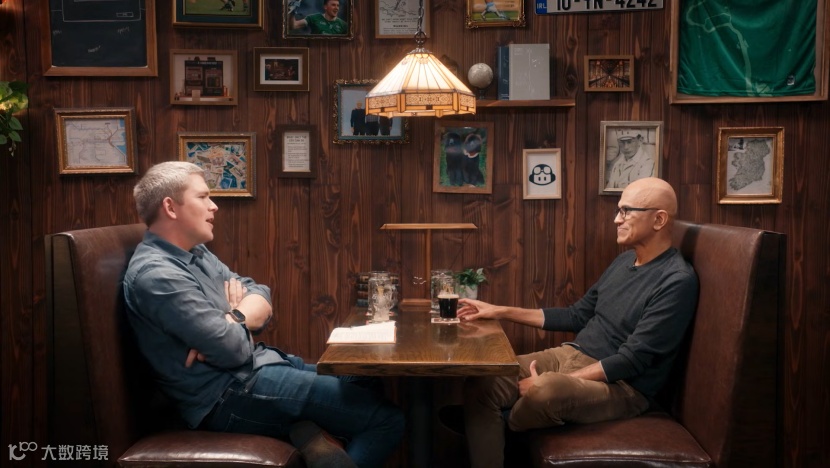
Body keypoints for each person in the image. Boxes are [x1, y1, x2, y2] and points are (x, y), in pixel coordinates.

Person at [123, 162, 404, 468]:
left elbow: (259, 292)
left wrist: (232, 318)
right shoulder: (157, 274)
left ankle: (311, 433)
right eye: (202, 197)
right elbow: (232, 349)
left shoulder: (197, 252)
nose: (214, 206)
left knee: (363, 378)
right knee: (388, 420)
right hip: (227, 394)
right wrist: (237, 319)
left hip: (257, 368)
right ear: (170, 207)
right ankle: (312, 430)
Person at [454, 177, 699, 468]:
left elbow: (633, 360)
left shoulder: (676, 281)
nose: (616, 219)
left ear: (658, 219)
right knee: (484, 380)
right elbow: (577, 315)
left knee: (545, 391)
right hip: (571, 355)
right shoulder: (623, 262)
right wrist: (499, 311)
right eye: (618, 210)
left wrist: (560, 380)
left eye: (626, 211)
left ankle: (506, 424)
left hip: (622, 386)